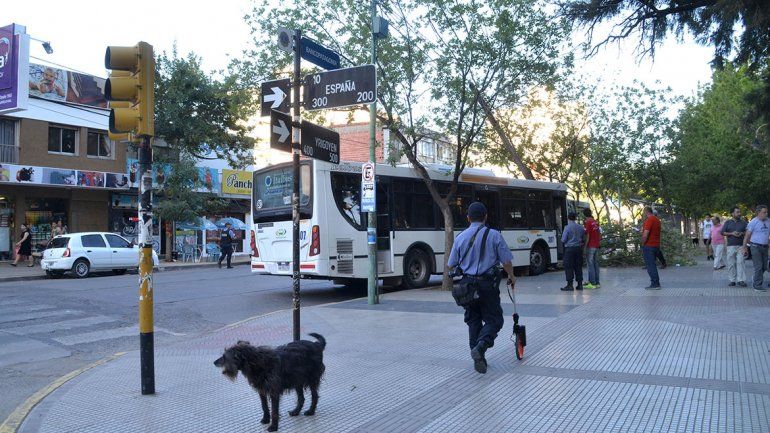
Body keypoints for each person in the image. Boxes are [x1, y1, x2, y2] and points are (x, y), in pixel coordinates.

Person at [447, 202, 515, 374]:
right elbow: (506, 261)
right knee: (495, 319)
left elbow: (451, 264)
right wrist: (512, 277)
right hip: (487, 285)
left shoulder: (460, 237)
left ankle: (478, 354)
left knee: (473, 320)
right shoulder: (494, 235)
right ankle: (481, 346)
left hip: (467, 287)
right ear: (486, 217)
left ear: (468, 218)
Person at [742, 205, 769, 292]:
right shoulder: (753, 222)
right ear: (758, 213)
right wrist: (744, 248)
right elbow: (746, 236)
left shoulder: (768, 221)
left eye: (766, 212)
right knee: (759, 266)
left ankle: (755, 278)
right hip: (755, 246)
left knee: (765, 267)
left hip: (765, 247)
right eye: (764, 212)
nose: (766, 214)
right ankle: (757, 285)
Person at [722, 206, 748, 287]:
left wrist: (741, 233)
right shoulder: (728, 222)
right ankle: (732, 280)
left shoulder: (743, 222)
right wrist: (732, 233)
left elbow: (747, 232)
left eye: (739, 212)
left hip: (741, 246)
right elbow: (723, 232)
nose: (739, 214)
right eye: (737, 212)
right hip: (731, 246)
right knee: (731, 263)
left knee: (741, 262)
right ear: (732, 213)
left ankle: (741, 280)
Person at [560, 212, 585, 291]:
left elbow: (563, 239)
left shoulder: (567, 227)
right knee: (578, 266)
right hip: (578, 248)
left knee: (569, 266)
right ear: (575, 218)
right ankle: (580, 284)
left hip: (569, 249)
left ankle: (570, 285)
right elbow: (583, 238)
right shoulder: (580, 227)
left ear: (568, 218)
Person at [641, 206, 661, 289]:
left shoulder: (650, 220)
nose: (643, 214)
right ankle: (656, 282)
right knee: (653, 264)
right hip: (656, 245)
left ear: (646, 212)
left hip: (649, 245)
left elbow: (646, 234)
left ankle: (655, 284)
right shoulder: (657, 220)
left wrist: (643, 243)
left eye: (643, 212)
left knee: (650, 265)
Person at [583, 208, 601, 289]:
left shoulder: (588, 222)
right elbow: (599, 233)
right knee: (595, 264)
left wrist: (585, 246)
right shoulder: (595, 222)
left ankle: (592, 283)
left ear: (584, 215)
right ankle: (597, 283)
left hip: (590, 246)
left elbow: (588, 235)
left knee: (590, 265)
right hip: (596, 245)